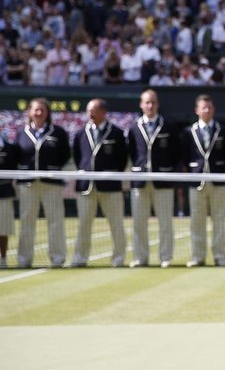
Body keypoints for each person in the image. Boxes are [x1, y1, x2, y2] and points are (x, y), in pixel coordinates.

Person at [71, 99, 129, 267]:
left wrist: (109, 176)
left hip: (110, 187)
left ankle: (118, 259)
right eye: (88, 110)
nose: (90, 114)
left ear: (103, 112)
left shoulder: (116, 133)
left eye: (94, 110)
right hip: (86, 187)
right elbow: (78, 158)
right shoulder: (80, 133)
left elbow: (122, 160)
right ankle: (80, 259)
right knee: (83, 225)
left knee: (116, 224)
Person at [128, 89, 182, 268]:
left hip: (163, 181)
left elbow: (176, 154)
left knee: (165, 222)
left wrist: (170, 174)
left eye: (153, 102)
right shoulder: (134, 127)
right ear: (141, 104)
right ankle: (140, 258)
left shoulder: (169, 126)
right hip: (140, 182)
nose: (150, 106)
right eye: (146, 102)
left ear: (157, 104)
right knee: (138, 223)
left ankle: (165, 257)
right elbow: (132, 153)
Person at [15, 98, 71, 268]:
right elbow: (18, 154)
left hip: (51, 183)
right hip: (27, 184)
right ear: (30, 112)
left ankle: (57, 258)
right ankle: (24, 259)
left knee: (55, 221)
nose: (39, 113)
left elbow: (65, 155)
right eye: (35, 110)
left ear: (47, 113)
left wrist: (51, 169)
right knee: (26, 222)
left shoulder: (58, 132)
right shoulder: (21, 132)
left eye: (42, 110)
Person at [181, 94, 225, 267]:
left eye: (209, 107)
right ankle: (198, 257)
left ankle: (220, 257)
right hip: (197, 183)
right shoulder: (189, 132)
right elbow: (185, 156)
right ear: (196, 110)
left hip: (218, 182)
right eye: (203, 107)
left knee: (219, 221)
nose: (206, 110)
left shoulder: (223, 131)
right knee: (197, 221)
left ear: (213, 110)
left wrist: (220, 170)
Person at [0, 138, 16, 268]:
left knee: (4, 228)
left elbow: (13, 168)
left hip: (5, 194)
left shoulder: (9, 148)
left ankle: (3, 259)